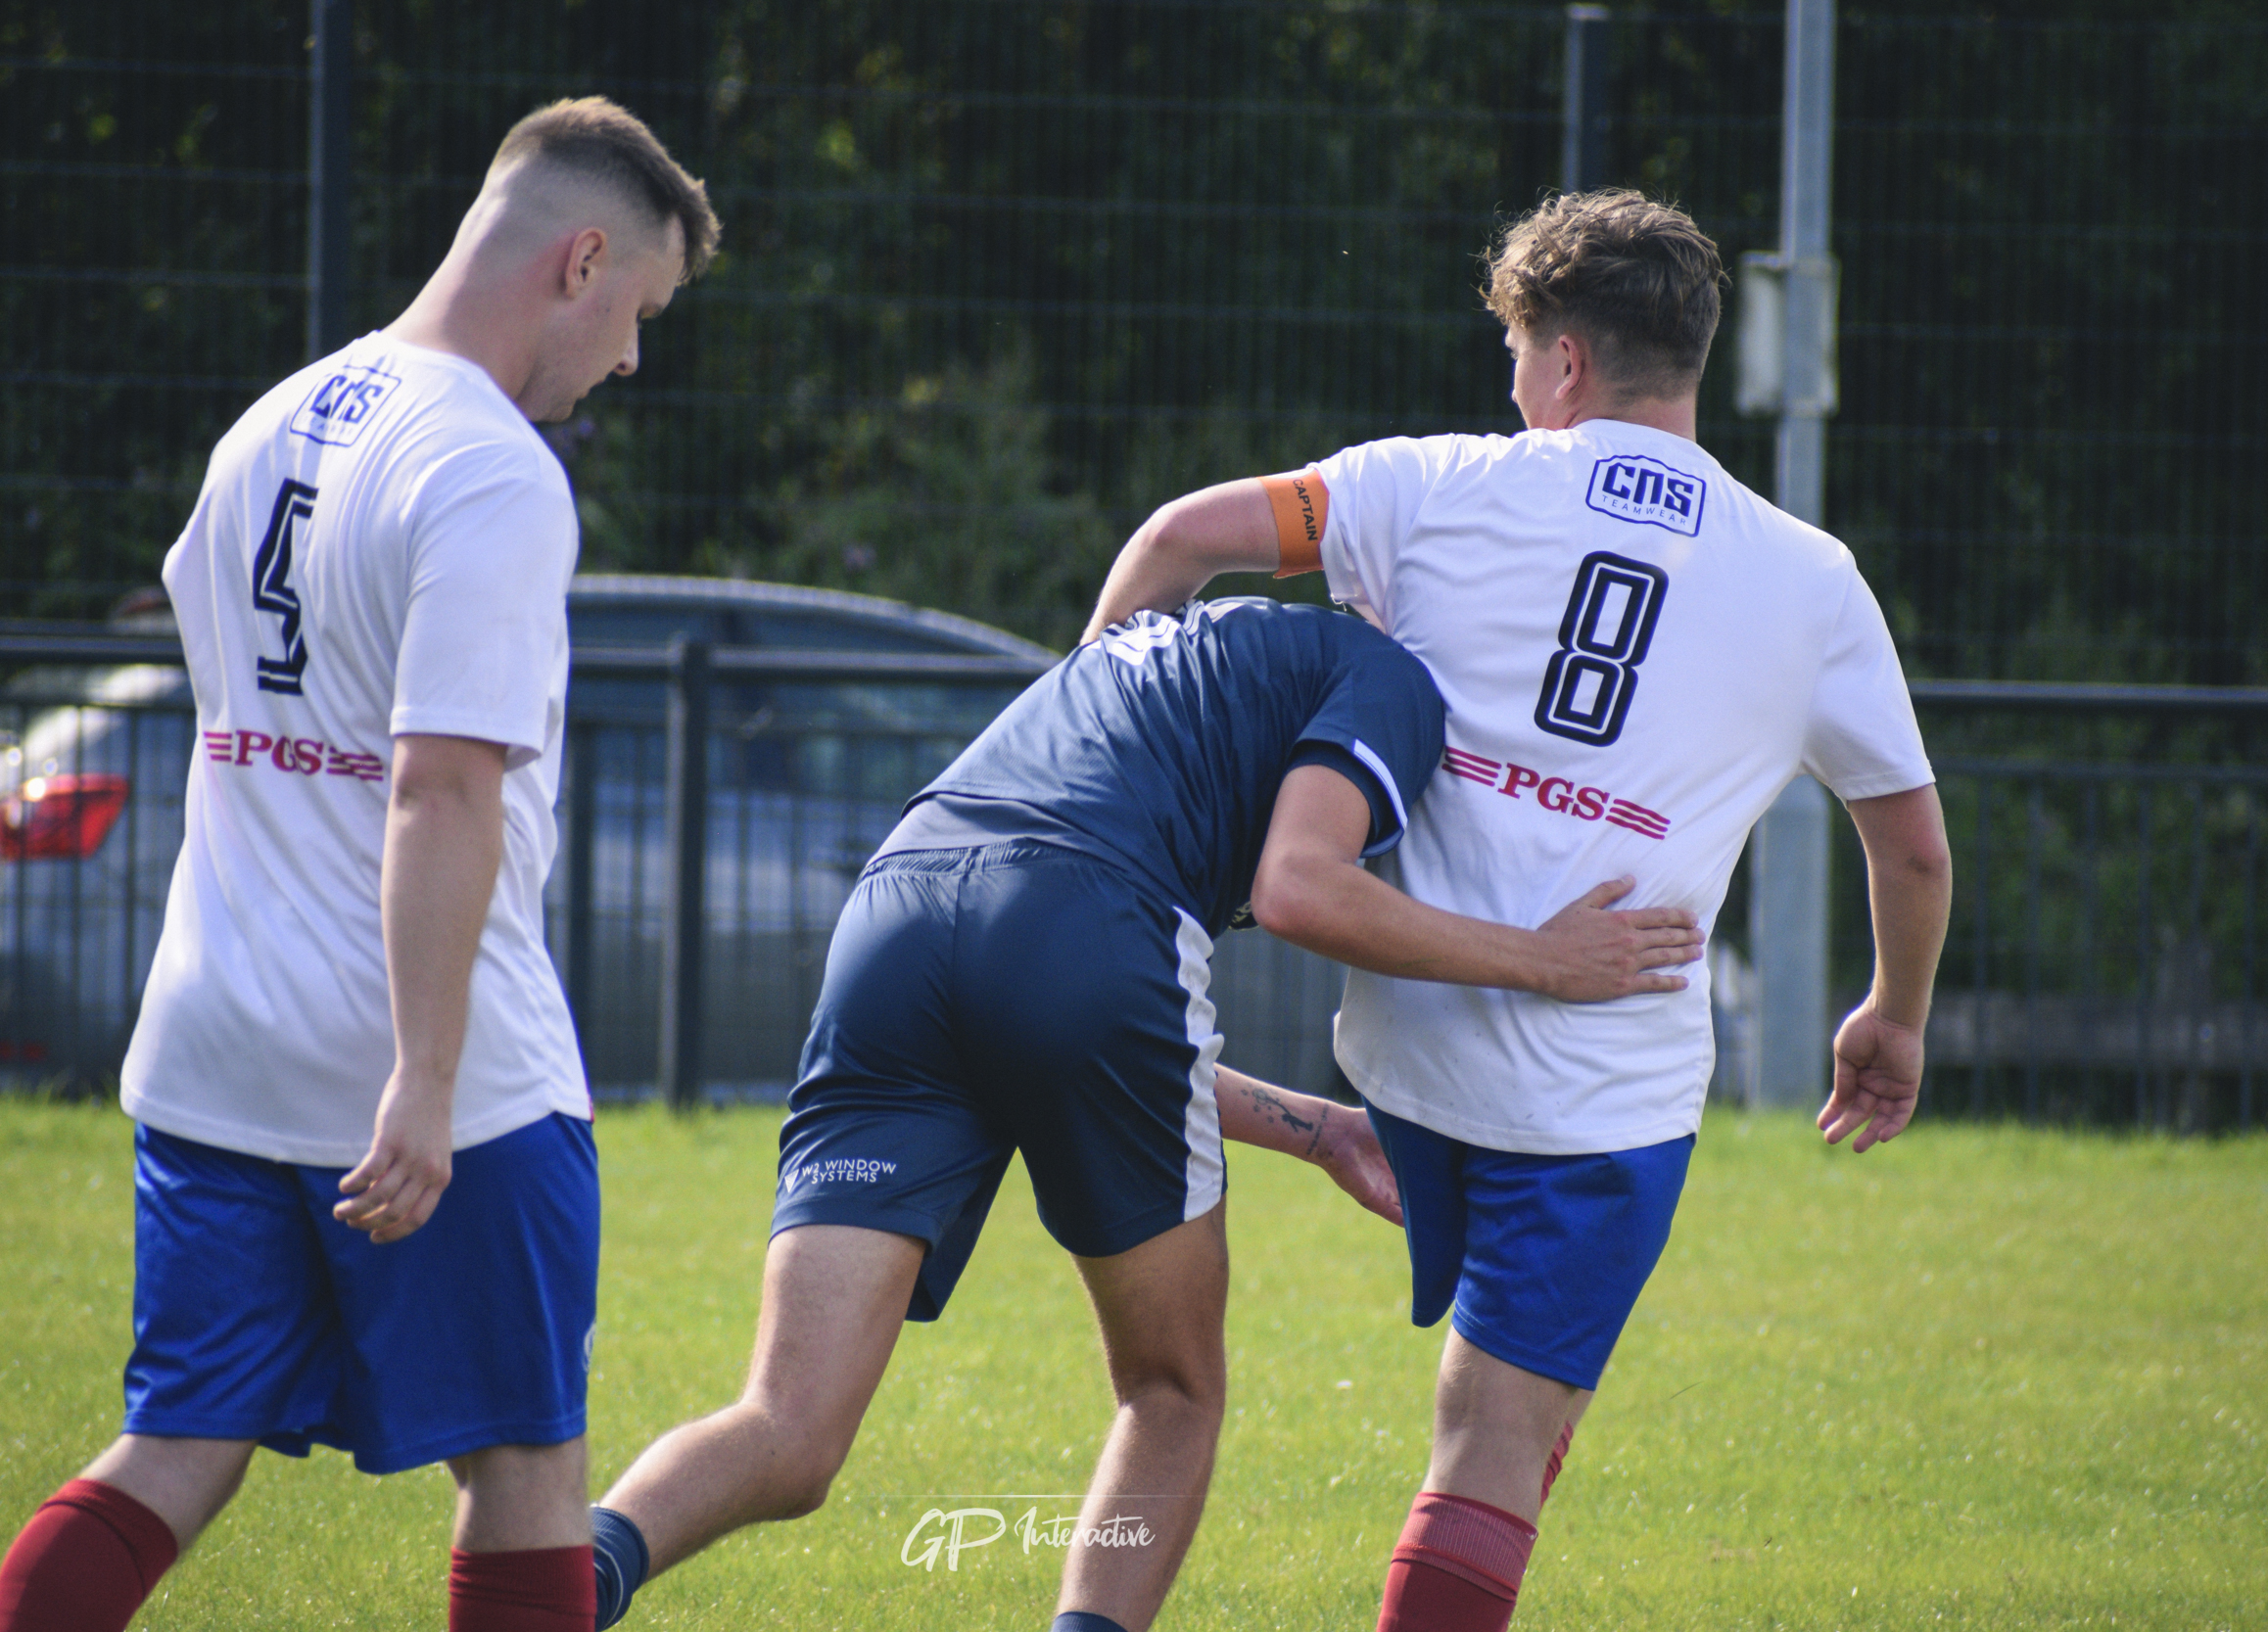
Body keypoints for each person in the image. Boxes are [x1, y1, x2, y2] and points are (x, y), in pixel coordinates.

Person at [1080, 190, 1953, 1632]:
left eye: (1515, 352)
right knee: (1495, 1443)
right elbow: (1910, 848)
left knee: (1500, 1427)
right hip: (1601, 1099)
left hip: (1404, 1065)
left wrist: (1096, 778)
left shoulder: (1429, 486)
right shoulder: (1813, 579)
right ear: (1688, 357)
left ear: (1560, 364)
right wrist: (1894, 1015)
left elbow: (1178, 538)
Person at [587, 593, 1707, 1632]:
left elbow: (1082, 1036)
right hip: (1081, 915)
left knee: (786, 1426)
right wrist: (1542, 961)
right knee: (1170, 1390)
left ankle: (569, 1576)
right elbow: (1295, 888)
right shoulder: (1393, 673)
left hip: (897, 909)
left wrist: (1324, 1131)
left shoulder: (1190, 642)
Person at [0, 99, 719, 1632]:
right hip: (438, 1073)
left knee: (176, 1442)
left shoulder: (271, 419)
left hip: (213, 1046)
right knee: (524, 1462)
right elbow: (440, 789)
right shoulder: (496, 470)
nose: (632, 356)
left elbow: (233, 708)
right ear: (581, 260)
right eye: (639, 311)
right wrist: (426, 1078)